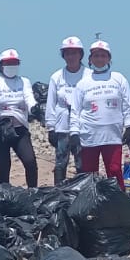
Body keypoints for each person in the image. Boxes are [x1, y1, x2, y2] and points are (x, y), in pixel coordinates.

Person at [70, 40, 130, 181]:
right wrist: (74, 133)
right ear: (90, 59)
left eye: (103, 56)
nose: (100, 59)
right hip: (89, 136)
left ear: (109, 58)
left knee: (115, 171)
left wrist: (129, 127)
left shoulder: (119, 79)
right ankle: (92, 202)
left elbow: (128, 105)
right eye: (96, 56)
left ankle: (118, 202)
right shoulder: (83, 83)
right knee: (90, 175)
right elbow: (75, 111)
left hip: (113, 136)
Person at [0, 49, 38, 187]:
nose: (11, 65)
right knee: (3, 166)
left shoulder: (24, 82)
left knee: (30, 161)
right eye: (8, 63)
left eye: (14, 63)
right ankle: (4, 196)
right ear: (1, 65)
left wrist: (34, 108)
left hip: (19, 129)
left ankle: (33, 193)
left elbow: (29, 97)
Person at [46, 37, 89, 184]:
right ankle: (58, 193)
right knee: (60, 161)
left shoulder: (89, 75)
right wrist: (51, 128)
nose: (71, 57)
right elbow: (51, 104)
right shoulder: (56, 77)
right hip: (62, 126)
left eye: (74, 53)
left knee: (82, 162)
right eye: (67, 53)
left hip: (83, 127)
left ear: (80, 54)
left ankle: (82, 192)